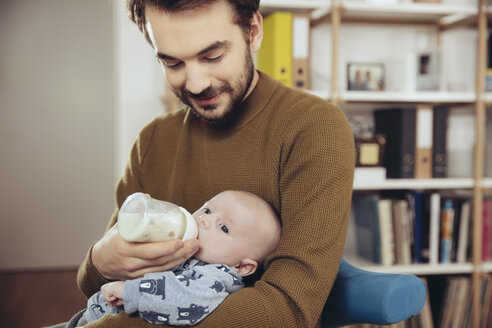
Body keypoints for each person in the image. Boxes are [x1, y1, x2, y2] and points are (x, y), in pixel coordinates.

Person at [76, 1, 355, 327]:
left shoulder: (313, 128)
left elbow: (287, 310)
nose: (195, 84)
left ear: (253, 32)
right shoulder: (153, 140)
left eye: (212, 56)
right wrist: (99, 261)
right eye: (172, 62)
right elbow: (95, 290)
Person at [61, 190, 280, 327]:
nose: (204, 220)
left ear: (242, 267)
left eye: (223, 227)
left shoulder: (216, 278)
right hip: (91, 315)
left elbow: (182, 298)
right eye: (207, 210)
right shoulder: (181, 247)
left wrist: (129, 292)